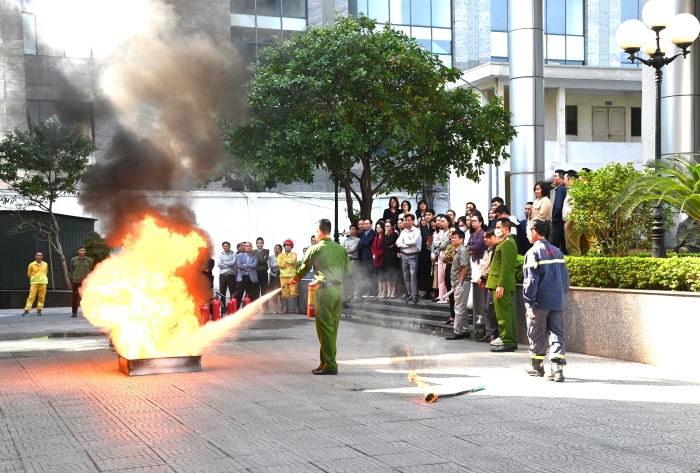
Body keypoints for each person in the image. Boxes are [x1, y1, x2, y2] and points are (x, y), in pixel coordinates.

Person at [289, 219, 351, 375]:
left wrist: (294, 279)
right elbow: (348, 272)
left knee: (324, 329)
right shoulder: (341, 249)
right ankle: (324, 362)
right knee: (332, 329)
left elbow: (304, 269)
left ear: (319, 231)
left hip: (324, 292)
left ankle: (330, 364)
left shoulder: (314, 249)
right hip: (338, 291)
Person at [522, 218, 571, 382]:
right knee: (557, 333)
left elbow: (531, 280)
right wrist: (560, 295)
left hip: (539, 301)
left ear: (535, 232)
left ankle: (537, 367)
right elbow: (565, 279)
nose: (527, 234)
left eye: (528, 231)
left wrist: (529, 301)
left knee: (537, 332)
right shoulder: (558, 252)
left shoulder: (533, 253)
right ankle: (557, 369)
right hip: (557, 300)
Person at [486, 218, 518, 352]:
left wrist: (501, 285)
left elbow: (506, 267)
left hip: (501, 284)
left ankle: (507, 341)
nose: (496, 229)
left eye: (498, 227)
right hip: (499, 283)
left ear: (506, 229)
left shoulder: (507, 243)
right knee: (505, 313)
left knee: (503, 314)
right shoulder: (503, 243)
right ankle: (509, 340)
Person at [445, 230, 472, 340]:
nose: (452, 239)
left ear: (461, 239)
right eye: (452, 237)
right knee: (461, 308)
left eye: (455, 237)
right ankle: (465, 330)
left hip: (462, 282)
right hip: (457, 283)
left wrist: (460, 282)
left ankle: (457, 331)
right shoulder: (457, 250)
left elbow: (464, 267)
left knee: (459, 308)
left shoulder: (462, 250)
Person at [476, 229, 499, 343]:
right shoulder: (487, 250)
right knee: (486, 309)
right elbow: (483, 266)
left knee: (491, 309)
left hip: (491, 281)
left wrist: (483, 277)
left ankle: (494, 333)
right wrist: (481, 277)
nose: (486, 239)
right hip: (484, 281)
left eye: (489, 237)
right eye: (485, 237)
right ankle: (489, 332)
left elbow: (492, 267)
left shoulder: (496, 249)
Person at [396, 214, 422, 303]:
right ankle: (410, 293)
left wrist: (404, 243)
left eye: (408, 220)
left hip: (413, 255)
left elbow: (414, 242)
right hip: (404, 255)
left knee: (413, 275)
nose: (406, 222)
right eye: (405, 220)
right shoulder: (403, 232)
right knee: (406, 276)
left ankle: (415, 295)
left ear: (413, 221)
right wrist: (406, 244)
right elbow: (398, 243)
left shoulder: (417, 231)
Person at [431, 214, 452, 303]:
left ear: (448, 222)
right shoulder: (440, 232)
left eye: (444, 221)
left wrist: (439, 243)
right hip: (439, 255)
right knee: (440, 277)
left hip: (447, 256)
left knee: (447, 277)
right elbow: (434, 242)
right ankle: (441, 297)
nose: (441, 223)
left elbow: (445, 244)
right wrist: (439, 243)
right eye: (441, 221)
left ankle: (448, 297)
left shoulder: (450, 231)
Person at [22, 252, 48, 316]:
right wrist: (34, 278)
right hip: (34, 283)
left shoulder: (45, 264)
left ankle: (39, 310)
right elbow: (29, 273)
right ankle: (27, 310)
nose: (39, 256)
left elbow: (46, 272)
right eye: (38, 255)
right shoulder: (31, 265)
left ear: (42, 256)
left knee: (41, 297)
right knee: (31, 297)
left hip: (43, 283)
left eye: (40, 255)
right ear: (35, 256)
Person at [563, 170, 582, 256]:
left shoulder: (574, 192)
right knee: (571, 247)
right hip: (571, 222)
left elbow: (575, 208)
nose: (564, 181)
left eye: (565, 179)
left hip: (572, 223)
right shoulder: (572, 191)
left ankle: (576, 268)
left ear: (571, 180)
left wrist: (570, 222)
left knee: (573, 248)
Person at [235, 242, 259, 309]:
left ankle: (247, 310)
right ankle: (236, 309)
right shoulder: (240, 256)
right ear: (244, 247)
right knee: (239, 294)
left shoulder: (255, 256)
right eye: (246, 246)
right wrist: (249, 268)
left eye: (249, 246)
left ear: (252, 247)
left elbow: (254, 265)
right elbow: (239, 265)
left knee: (250, 294)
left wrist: (246, 265)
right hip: (242, 277)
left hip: (251, 278)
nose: (248, 247)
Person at [70, 246, 93, 318]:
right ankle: (74, 312)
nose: (82, 252)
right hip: (76, 281)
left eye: (83, 250)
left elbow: (90, 269)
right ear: (78, 251)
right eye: (80, 250)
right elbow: (72, 269)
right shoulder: (73, 260)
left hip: (85, 282)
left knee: (86, 297)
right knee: (75, 298)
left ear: (85, 251)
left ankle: (87, 313)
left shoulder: (89, 260)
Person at [278, 239, 300, 314]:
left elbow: (293, 261)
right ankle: (285, 309)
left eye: (289, 246)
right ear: (284, 246)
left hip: (292, 277)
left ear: (292, 247)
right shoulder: (280, 255)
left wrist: (285, 262)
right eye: (287, 245)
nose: (288, 247)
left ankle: (297, 309)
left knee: (294, 292)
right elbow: (280, 264)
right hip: (283, 277)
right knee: (284, 293)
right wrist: (288, 261)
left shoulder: (294, 254)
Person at [418, 208, 435, 299]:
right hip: (424, 254)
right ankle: (427, 292)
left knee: (434, 274)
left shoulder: (434, 227)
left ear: (433, 216)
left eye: (429, 215)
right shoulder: (424, 228)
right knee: (426, 273)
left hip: (433, 253)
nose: (427, 216)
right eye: (426, 215)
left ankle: (435, 292)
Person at [342, 223, 361, 302]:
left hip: (353, 260)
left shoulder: (357, 240)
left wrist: (346, 248)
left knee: (355, 279)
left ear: (356, 231)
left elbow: (352, 249)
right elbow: (341, 249)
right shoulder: (346, 240)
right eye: (350, 229)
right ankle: (348, 296)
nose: (351, 231)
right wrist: (347, 248)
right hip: (346, 261)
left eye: (353, 229)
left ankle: (356, 297)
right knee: (346, 279)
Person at [551, 169, 568, 253]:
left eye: (555, 176)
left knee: (554, 246)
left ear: (561, 179)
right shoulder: (563, 189)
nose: (553, 178)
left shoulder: (560, 189)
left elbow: (558, 207)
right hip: (563, 221)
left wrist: (554, 219)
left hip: (558, 222)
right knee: (564, 246)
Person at [382, 221, 400, 298]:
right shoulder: (385, 235)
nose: (386, 227)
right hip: (386, 256)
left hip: (393, 256)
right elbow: (382, 245)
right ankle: (389, 292)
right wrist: (387, 246)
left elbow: (389, 242)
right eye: (385, 226)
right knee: (387, 275)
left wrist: (387, 244)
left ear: (392, 227)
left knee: (393, 274)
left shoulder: (395, 234)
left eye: (388, 226)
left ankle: (393, 292)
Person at [358, 218, 376, 297]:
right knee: (365, 275)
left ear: (371, 224)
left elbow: (369, 242)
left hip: (370, 256)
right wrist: (365, 244)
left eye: (367, 224)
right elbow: (360, 244)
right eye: (364, 224)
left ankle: (373, 292)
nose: (365, 225)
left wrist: (364, 244)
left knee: (371, 275)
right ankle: (367, 291)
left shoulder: (373, 232)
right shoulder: (363, 234)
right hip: (364, 257)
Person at [218, 241, 237, 308]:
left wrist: (224, 262)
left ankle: (232, 306)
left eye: (226, 246)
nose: (225, 247)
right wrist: (229, 264)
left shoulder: (234, 254)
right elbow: (219, 264)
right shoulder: (220, 254)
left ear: (229, 246)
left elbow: (233, 263)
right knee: (222, 292)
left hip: (231, 275)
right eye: (224, 246)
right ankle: (223, 307)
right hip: (222, 275)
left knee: (232, 291)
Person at [253, 237, 270, 310]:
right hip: (255, 272)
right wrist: (260, 259)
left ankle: (265, 307)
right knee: (256, 290)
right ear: (256, 244)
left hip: (263, 272)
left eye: (261, 243)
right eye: (258, 243)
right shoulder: (253, 252)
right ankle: (256, 307)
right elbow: (254, 261)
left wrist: (257, 260)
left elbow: (264, 260)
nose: (260, 244)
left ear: (263, 244)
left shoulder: (266, 251)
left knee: (264, 289)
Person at [371, 221, 387, 298]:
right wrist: (374, 254)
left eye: (380, 227)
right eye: (377, 227)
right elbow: (373, 247)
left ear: (383, 228)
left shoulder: (384, 237)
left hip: (382, 258)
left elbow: (383, 248)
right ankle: (380, 291)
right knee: (378, 277)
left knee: (382, 276)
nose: (378, 229)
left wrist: (376, 254)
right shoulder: (375, 237)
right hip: (376, 259)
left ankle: (384, 292)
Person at [268, 244, 282, 313]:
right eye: (275, 248)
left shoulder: (283, 256)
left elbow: (284, 265)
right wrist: (279, 264)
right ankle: (274, 308)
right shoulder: (271, 257)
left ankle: (282, 308)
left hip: (281, 276)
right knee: (274, 292)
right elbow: (271, 266)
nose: (277, 250)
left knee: (281, 292)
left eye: (278, 248)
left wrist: (276, 266)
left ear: (281, 250)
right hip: (273, 276)